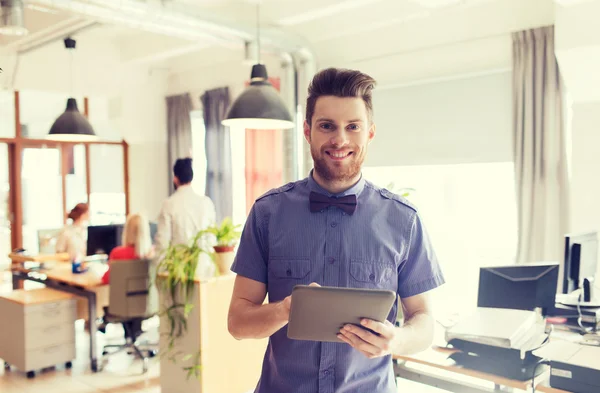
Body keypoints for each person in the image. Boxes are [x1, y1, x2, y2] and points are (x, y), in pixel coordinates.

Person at [227, 68, 445, 392]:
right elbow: (238, 323)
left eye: (352, 127)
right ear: (307, 130)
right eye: (327, 125)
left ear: (369, 132)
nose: (340, 140)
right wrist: (284, 310)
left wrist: (397, 339)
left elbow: (425, 321)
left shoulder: (405, 221)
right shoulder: (266, 214)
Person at [155, 158, 216, 274]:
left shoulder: (169, 204)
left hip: (179, 270)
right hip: (204, 268)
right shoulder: (206, 203)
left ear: (175, 178)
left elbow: (163, 242)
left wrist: (161, 272)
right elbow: (211, 239)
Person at [100, 213, 154, 285]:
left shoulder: (117, 253)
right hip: (146, 296)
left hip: (120, 296)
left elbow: (106, 280)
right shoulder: (152, 254)